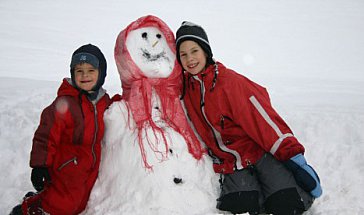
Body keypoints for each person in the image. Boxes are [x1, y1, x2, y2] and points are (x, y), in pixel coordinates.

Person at [175, 21, 322, 215]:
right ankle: (263, 192)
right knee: (241, 207)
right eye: (183, 54)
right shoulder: (185, 89)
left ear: (205, 51)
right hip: (231, 162)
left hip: (259, 153)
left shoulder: (230, 84)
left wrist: (294, 157)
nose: (190, 59)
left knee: (289, 204)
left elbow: (264, 120)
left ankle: (281, 187)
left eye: (194, 51)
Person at [9, 44, 111, 215]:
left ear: (101, 74)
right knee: (64, 204)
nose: (85, 75)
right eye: (79, 71)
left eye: (91, 70)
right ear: (72, 73)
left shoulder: (103, 102)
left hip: (89, 166)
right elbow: (46, 135)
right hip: (67, 167)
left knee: (82, 201)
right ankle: (33, 208)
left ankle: (44, 198)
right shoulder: (65, 104)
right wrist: (40, 165)